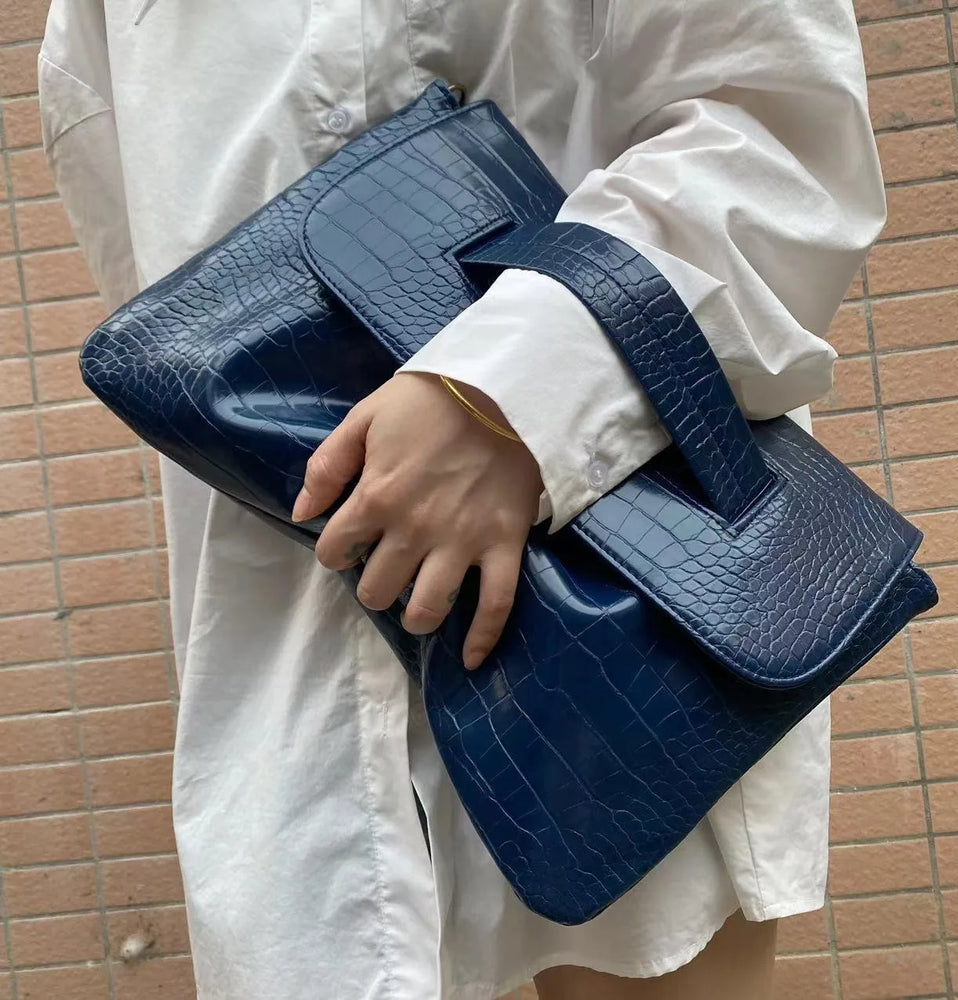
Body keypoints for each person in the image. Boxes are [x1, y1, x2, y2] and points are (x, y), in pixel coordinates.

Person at [39, 3, 884, 998]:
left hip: (624, 555)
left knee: (653, 939)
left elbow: (776, 128)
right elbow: (150, 262)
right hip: (309, 587)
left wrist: (510, 395)